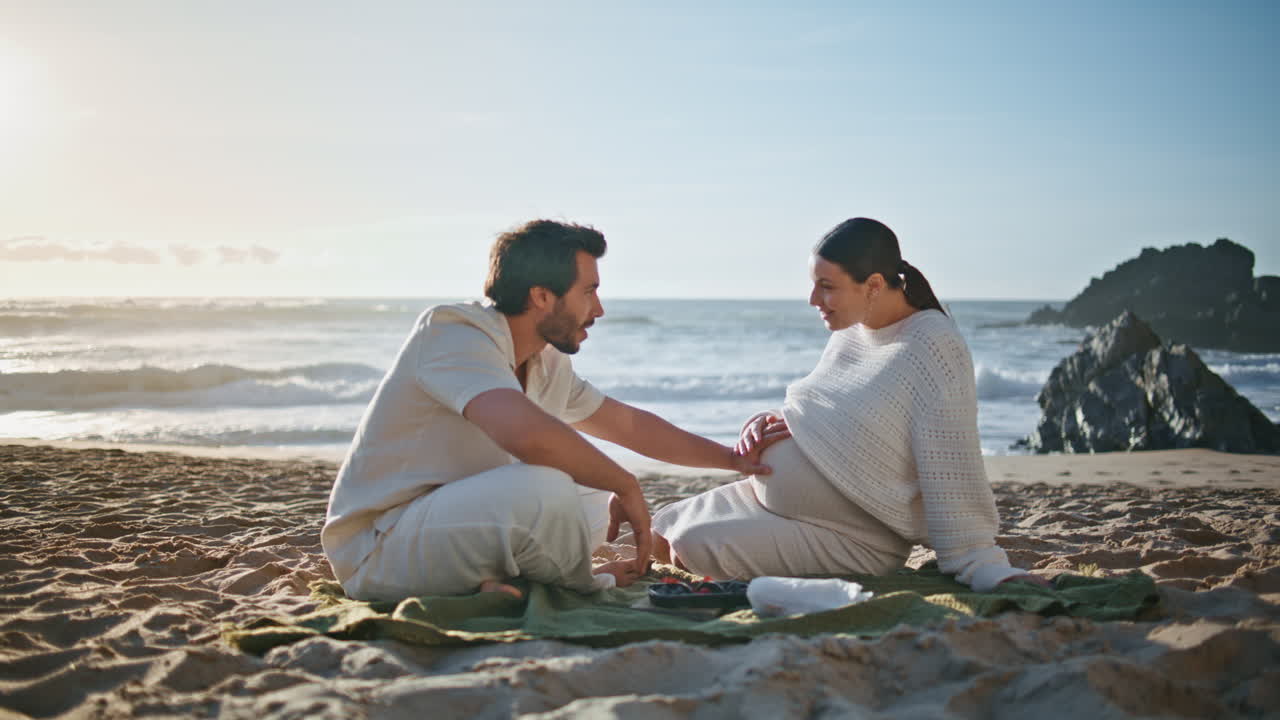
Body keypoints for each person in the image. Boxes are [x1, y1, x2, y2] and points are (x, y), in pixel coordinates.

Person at [321, 219, 781, 602]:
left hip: (445, 521)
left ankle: (491, 582)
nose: (598, 309)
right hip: (380, 547)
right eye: (588, 292)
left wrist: (732, 459)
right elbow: (525, 433)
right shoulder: (453, 332)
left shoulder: (544, 360)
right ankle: (579, 583)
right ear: (542, 296)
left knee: (589, 500)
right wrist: (624, 482)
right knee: (548, 485)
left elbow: (626, 424)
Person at [650, 218, 1047, 592]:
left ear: (873, 284)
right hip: (781, 504)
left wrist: (980, 563)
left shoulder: (932, 344)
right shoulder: (852, 330)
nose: (812, 299)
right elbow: (832, 412)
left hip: (856, 536)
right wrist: (765, 423)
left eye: (826, 286)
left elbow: (951, 459)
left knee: (691, 546)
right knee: (657, 534)